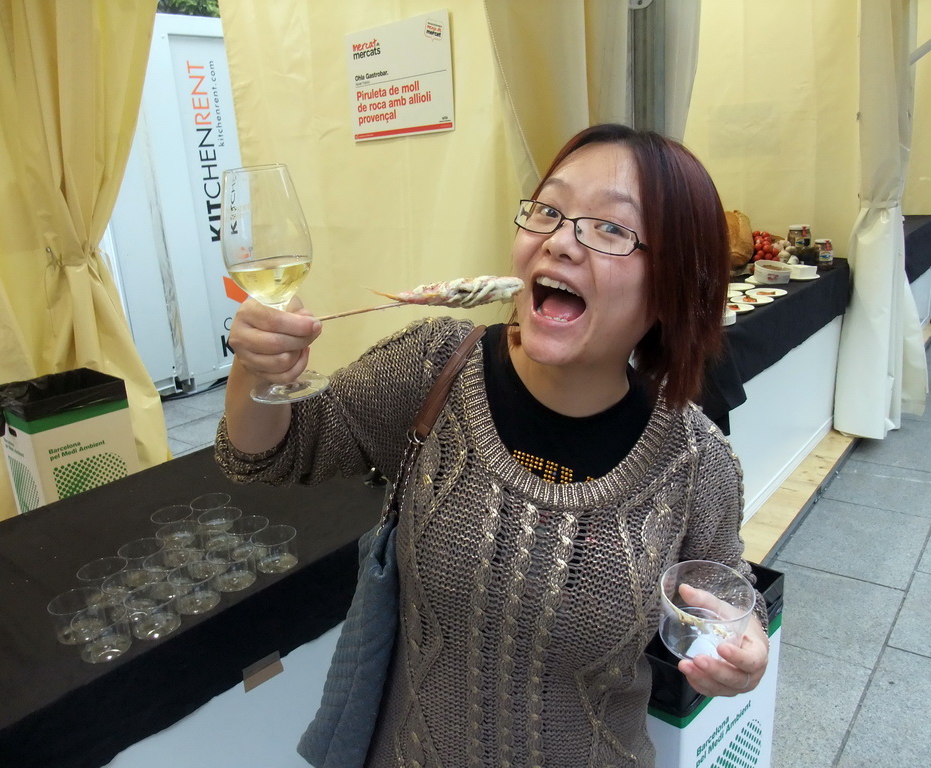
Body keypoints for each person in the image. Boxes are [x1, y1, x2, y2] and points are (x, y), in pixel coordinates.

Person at [216, 124, 769, 767]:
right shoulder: (432, 370)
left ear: (673, 286)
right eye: (549, 210)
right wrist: (256, 368)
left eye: (613, 228)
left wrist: (744, 654)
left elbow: (727, 603)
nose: (562, 241)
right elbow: (266, 455)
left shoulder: (695, 462)